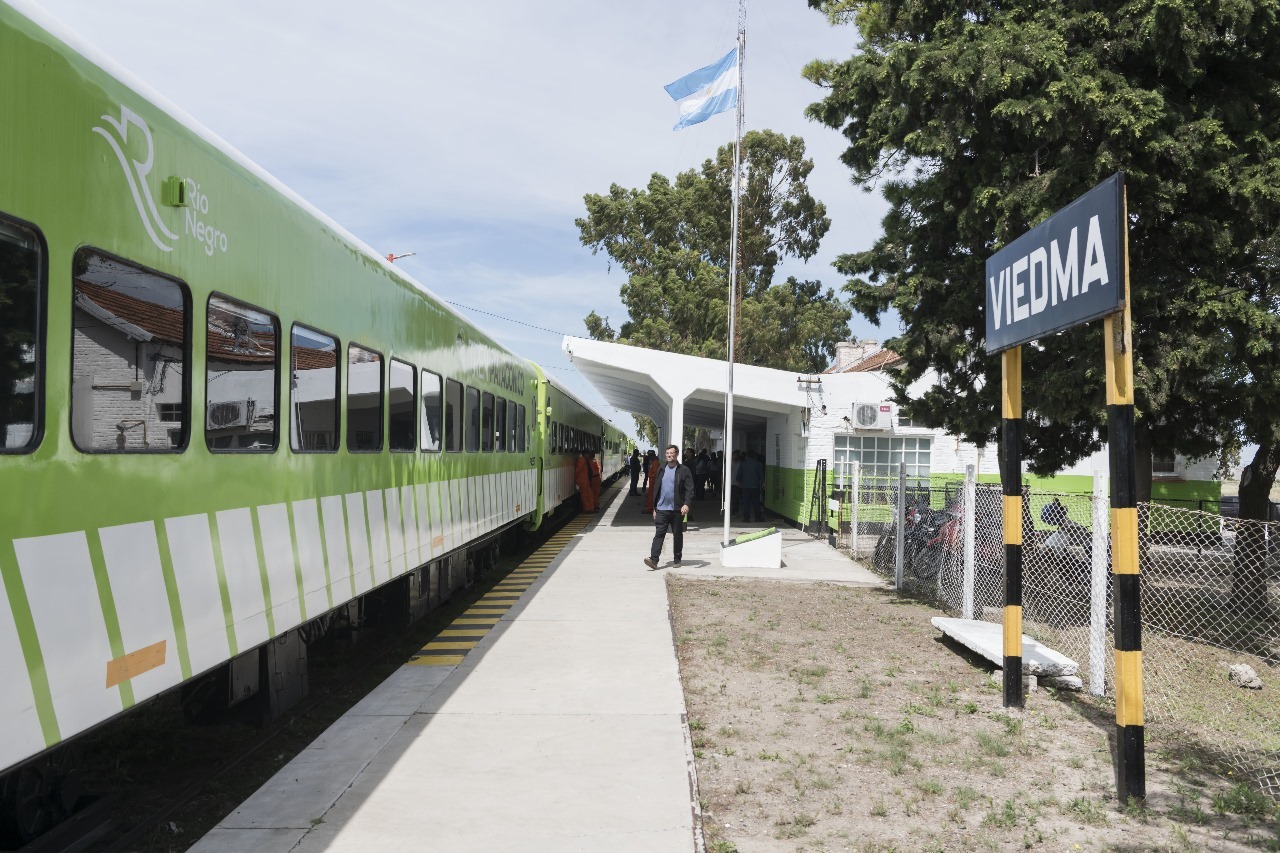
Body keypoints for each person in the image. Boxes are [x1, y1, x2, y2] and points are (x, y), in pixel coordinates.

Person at [645, 445, 695, 570]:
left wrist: (686, 504)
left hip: (677, 509)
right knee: (659, 534)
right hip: (662, 508)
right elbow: (656, 489)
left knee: (677, 534)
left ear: (677, 454)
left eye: (672, 453)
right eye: (667, 453)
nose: (669, 455)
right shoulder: (661, 469)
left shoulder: (683, 470)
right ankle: (654, 560)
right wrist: (654, 508)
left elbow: (690, 489)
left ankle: (677, 559)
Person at [738, 450, 765, 522]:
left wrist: (742, 482)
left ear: (747, 456)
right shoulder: (759, 464)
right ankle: (758, 517)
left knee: (746, 503)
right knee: (756, 502)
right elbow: (761, 476)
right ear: (755, 456)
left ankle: (746, 518)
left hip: (745, 487)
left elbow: (738, 477)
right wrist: (762, 483)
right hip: (755, 486)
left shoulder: (742, 464)